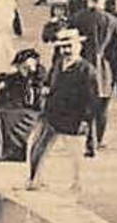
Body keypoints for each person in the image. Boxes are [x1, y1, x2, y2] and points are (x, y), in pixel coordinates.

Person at [26, 29, 100, 191]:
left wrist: (86, 120)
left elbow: (92, 99)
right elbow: (49, 81)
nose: (66, 50)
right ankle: (34, 179)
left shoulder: (86, 70)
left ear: (79, 46)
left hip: (73, 116)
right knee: (37, 146)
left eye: (69, 46)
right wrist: (45, 89)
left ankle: (77, 182)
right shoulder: (58, 64)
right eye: (62, 47)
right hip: (51, 113)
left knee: (75, 154)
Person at [69, 0, 117, 155]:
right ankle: (95, 141)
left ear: (88, 0)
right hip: (103, 68)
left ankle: (83, 135)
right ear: (103, 1)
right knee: (101, 107)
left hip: (82, 65)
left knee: (82, 103)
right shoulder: (111, 20)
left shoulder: (77, 18)